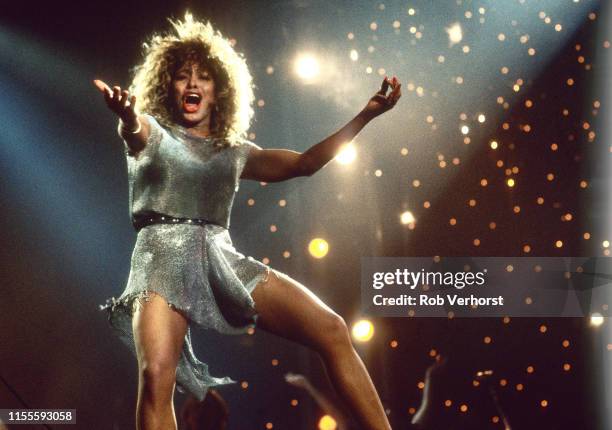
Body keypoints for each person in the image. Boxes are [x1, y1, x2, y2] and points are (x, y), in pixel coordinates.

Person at [96, 13, 400, 430]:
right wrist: (126, 115)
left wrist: (365, 116)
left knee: (332, 328)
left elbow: (306, 164)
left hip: (222, 260)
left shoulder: (235, 151)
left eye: (203, 77)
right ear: (167, 84)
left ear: (218, 91)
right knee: (154, 378)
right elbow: (133, 129)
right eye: (183, 76)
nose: (192, 84)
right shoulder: (153, 132)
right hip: (160, 260)